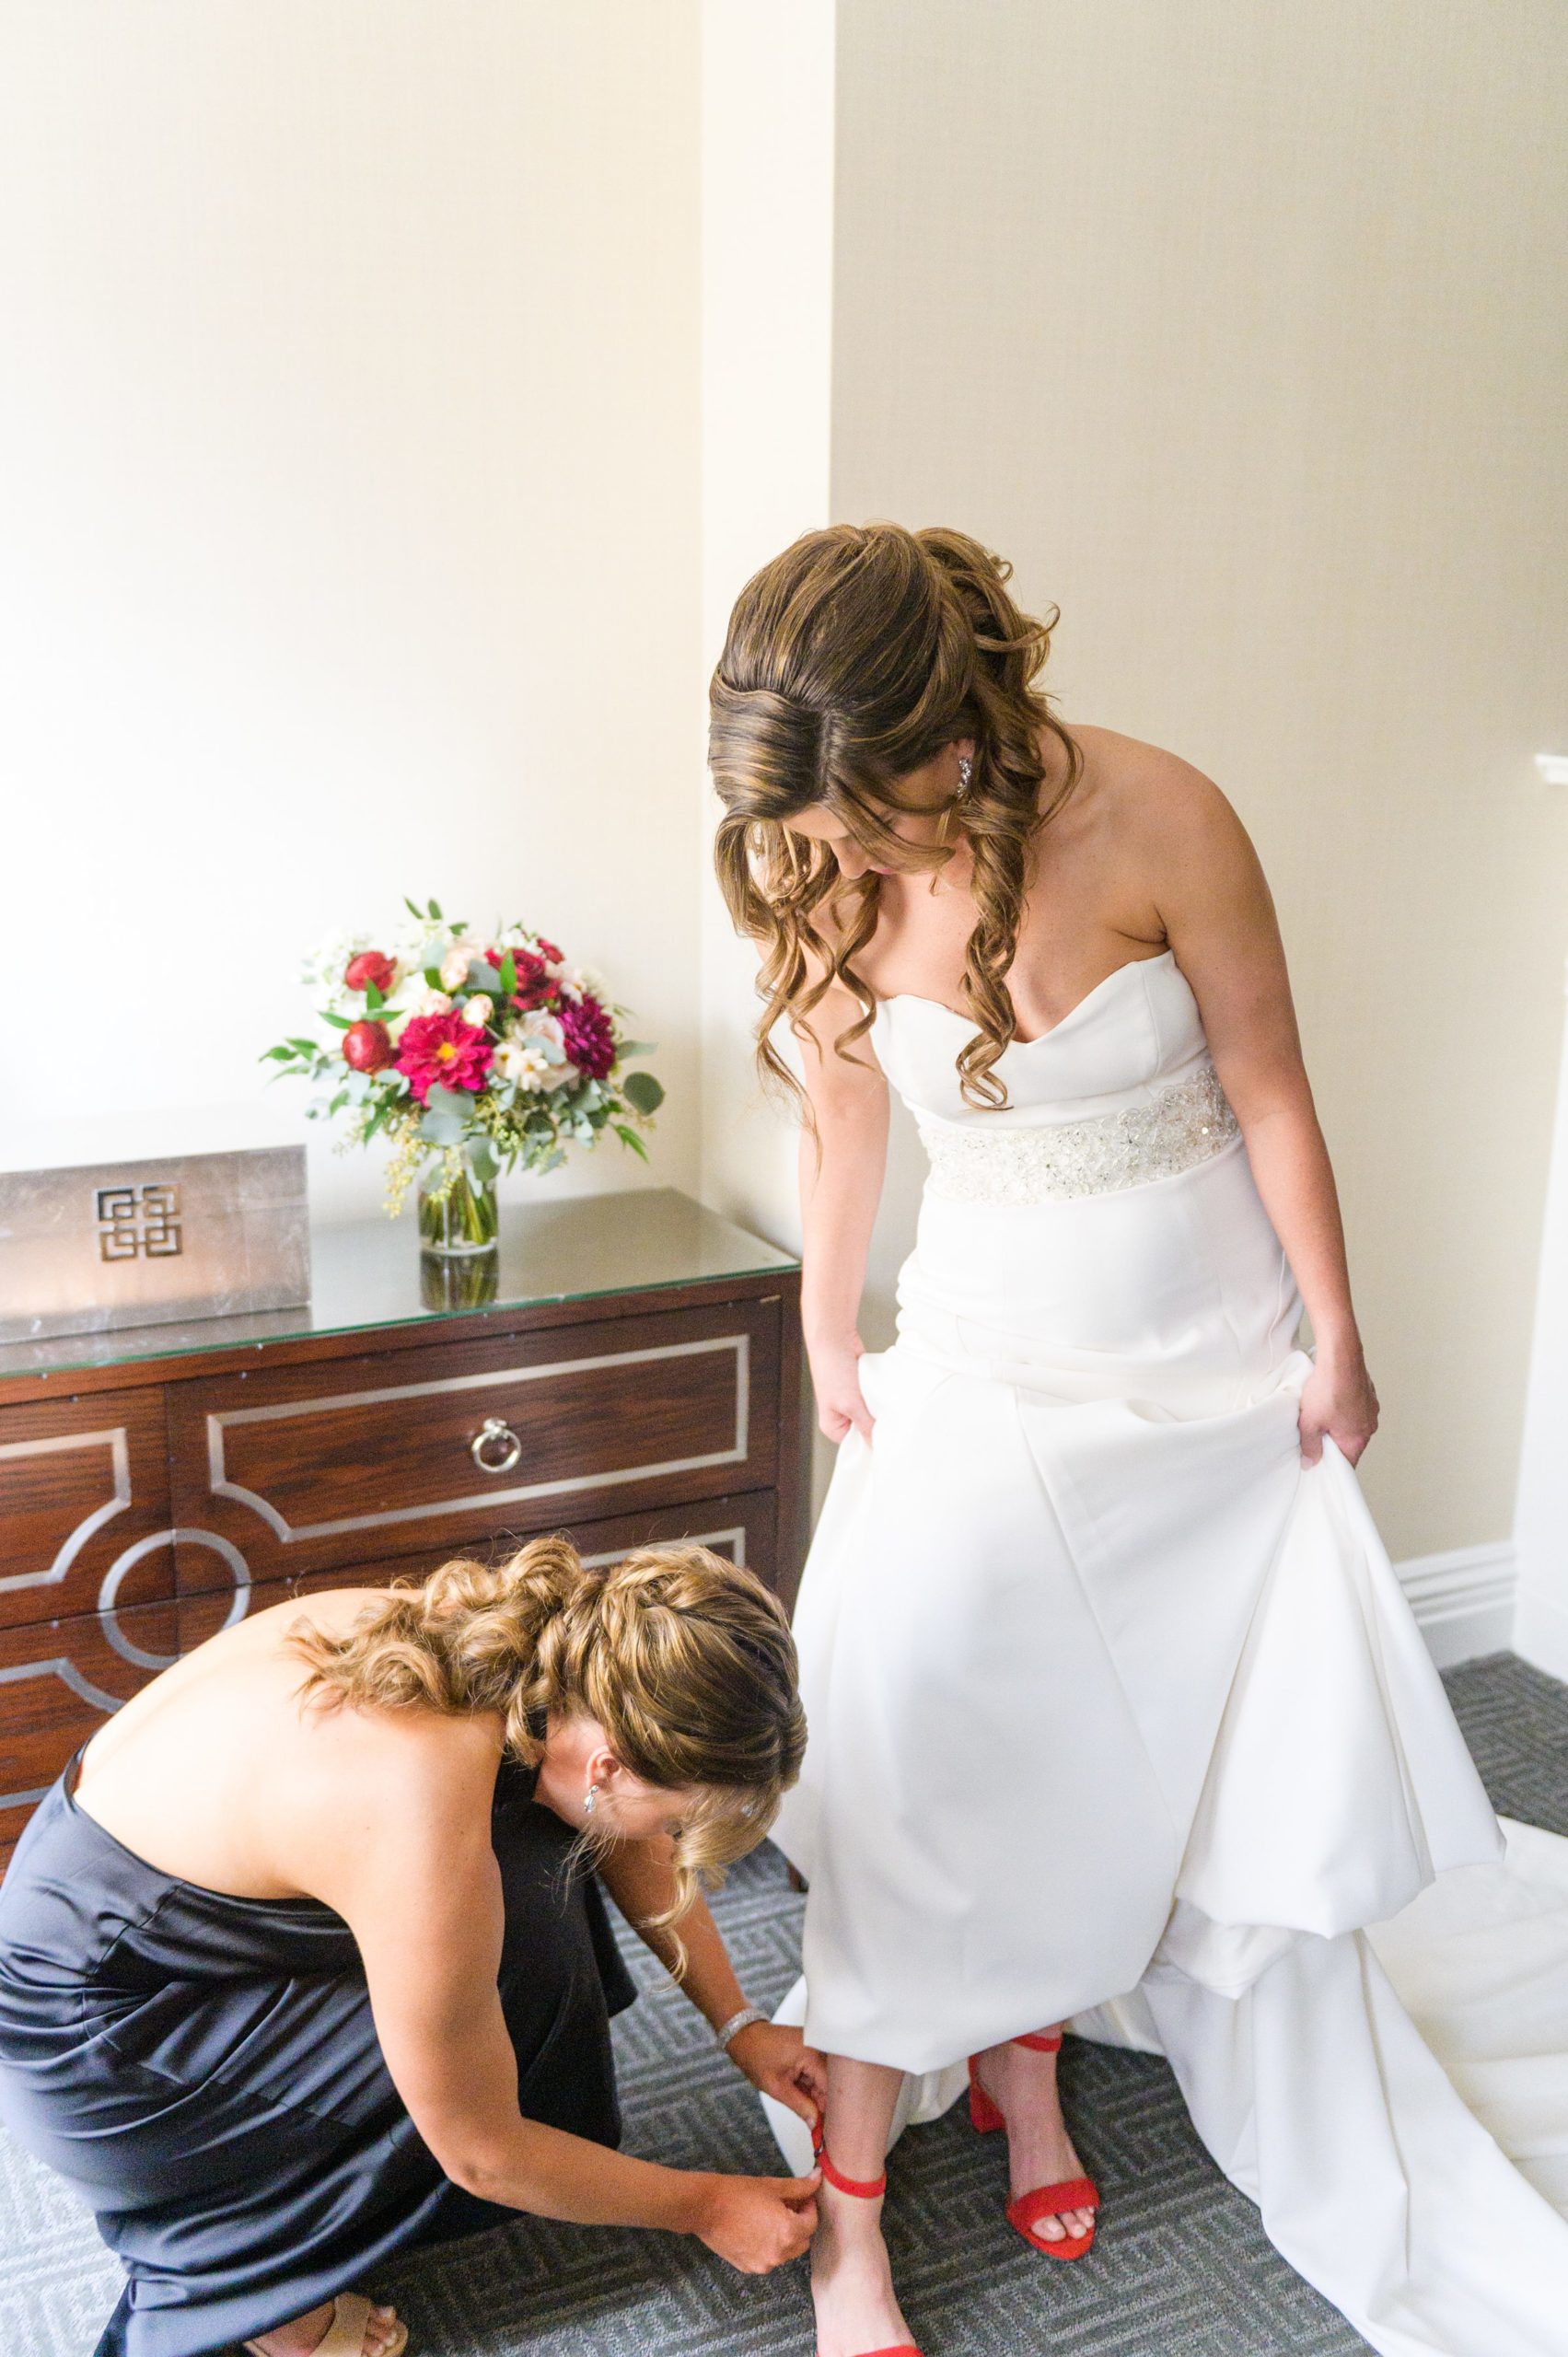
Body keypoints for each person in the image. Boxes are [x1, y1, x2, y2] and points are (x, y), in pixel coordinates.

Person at [708, 519, 1568, 2357]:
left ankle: (1026, 2063)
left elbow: (1268, 1084)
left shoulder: (1165, 812)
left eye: (878, 821)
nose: (851, 861)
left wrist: (1337, 1336)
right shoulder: (822, 851)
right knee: (919, 1740)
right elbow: (843, 1122)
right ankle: (851, 2221)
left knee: (1147, 1744)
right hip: (984, 1357)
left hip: (1203, 1367)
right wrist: (823, 1320)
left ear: (957, 731)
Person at [0, 1537, 827, 2357]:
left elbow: (620, 1826)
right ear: (610, 1765)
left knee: (532, 1874)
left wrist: (741, 2025)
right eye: (677, 1818)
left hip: (114, 1907)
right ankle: (247, 2271)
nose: (671, 1839)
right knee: (480, 2008)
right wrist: (703, 2206)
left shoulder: (532, 1648)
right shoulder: (416, 1805)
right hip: (98, 2039)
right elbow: (483, 2154)